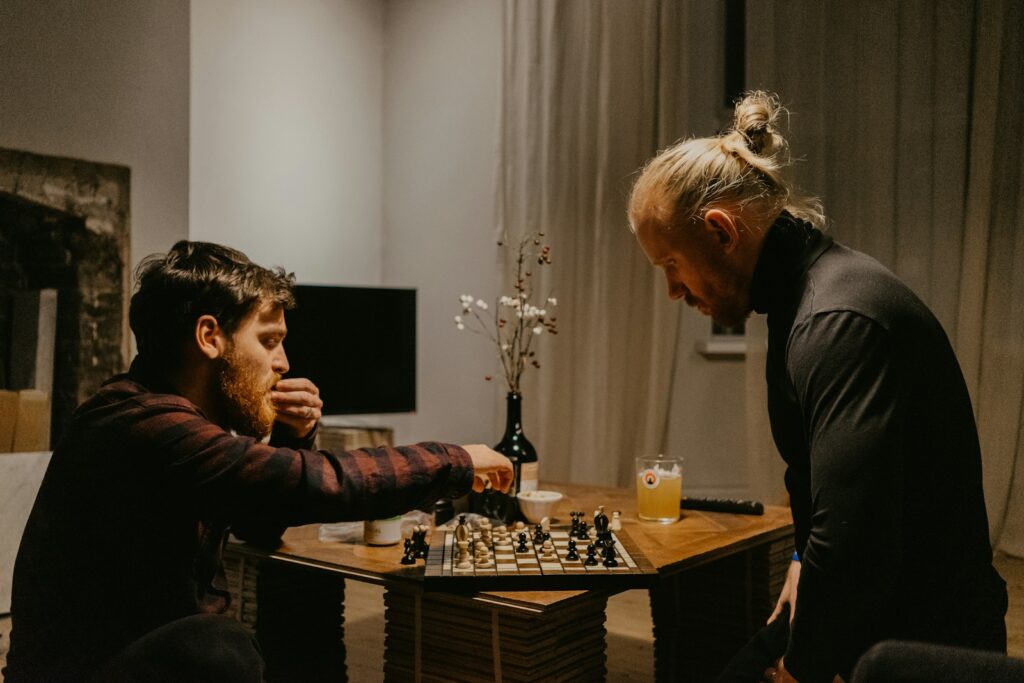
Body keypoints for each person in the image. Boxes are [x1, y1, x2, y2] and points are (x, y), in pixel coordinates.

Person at [3, 240, 513, 682]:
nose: (284, 362)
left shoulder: (171, 416)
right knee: (217, 649)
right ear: (209, 337)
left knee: (294, 591)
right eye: (269, 340)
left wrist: (295, 436)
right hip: (86, 671)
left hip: (143, 653)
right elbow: (310, 483)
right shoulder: (140, 422)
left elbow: (262, 520)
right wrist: (455, 458)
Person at [627, 91, 1007, 682]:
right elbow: (824, 487)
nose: (674, 291)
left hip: (920, 640)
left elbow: (855, 546)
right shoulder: (804, 298)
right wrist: (800, 559)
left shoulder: (835, 321)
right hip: (872, 606)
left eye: (671, 265)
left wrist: (799, 670)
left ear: (722, 231)